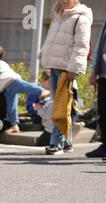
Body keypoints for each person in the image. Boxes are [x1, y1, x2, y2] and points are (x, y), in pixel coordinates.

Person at [40, 0, 92, 155]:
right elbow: (51, 41)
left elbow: (82, 45)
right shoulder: (58, 15)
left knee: (61, 107)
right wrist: (47, 59)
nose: (64, 1)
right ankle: (67, 142)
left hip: (67, 69)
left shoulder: (80, 17)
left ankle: (57, 143)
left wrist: (74, 68)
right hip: (55, 66)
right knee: (61, 105)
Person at [0, 45, 50, 134]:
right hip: (6, 89)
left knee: (27, 87)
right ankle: (14, 126)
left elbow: (6, 74)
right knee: (11, 108)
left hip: (12, 82)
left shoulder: (0, 64)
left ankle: (42, 91)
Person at [86, 17, 106, 158]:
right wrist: (94, 71)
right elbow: (100, 46)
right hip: (104, 73)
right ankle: (105, 145)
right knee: (103, 110)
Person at [32, 70, 54, 146]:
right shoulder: (51, 96)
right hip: (51, 127)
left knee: (39, 143)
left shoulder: (50, 99)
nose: (40, 82)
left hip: (50, 129)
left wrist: (39, 109)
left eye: (42, 80)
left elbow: (47, 115)